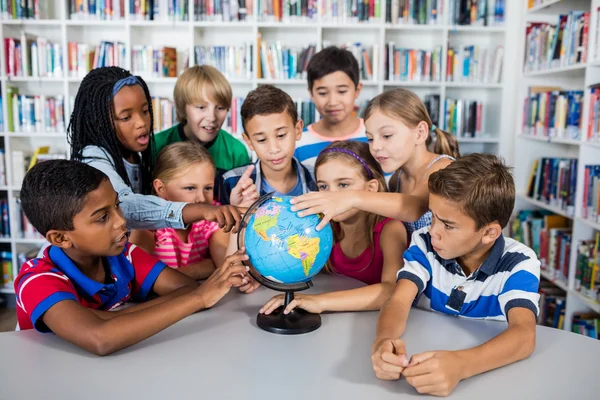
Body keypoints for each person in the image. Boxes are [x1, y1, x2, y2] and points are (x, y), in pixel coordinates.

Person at [14, 160, 251, 356]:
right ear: (60, 238)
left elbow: (184, 287)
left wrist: (107, 319)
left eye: (116, 206)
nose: (121, 221)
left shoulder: (123, 254)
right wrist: (201, 297)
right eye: (102, 217)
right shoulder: (36, 279)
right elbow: (100, 338)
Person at [371, 154, 540, 397]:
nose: (433, 231)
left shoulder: (519, 263)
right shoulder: (425, 243)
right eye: (433, 216)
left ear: (490, 232)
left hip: (495, 383)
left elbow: (524, 336)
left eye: (448, 225)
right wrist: (382, 341)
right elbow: (398, 300)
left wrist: (460, 365)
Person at [68, 66, 241, 232]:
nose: (142, 122)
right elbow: (124, 206)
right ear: (100, 122)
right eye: (126, 117)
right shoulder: (93, 157)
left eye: (145, 111)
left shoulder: (138, 153)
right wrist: (200, 210)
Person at [260, 141, 407, 316]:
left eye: (343, 185)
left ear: (371, 188)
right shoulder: (322, 228)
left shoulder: (390, 230)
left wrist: (320, 302)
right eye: (323, 186)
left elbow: (392, 291)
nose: (330, 195)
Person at [290, 88, 460, 238]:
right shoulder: (397, 179)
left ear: (420, 132)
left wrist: (350, 197)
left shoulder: (443, 168)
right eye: (370, 138)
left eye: (386, 136)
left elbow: (414, 208)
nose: (376, 146)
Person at [130, 142, 259, 293]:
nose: (201, 198)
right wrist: (201, 268)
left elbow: (227, 266)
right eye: (190, 188)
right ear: (161, 188)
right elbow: (138, 280)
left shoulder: (210, 220)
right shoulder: (147, 225)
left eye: (208, 188)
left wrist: (237, 216)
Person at [222, 85, 316, 202]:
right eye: (261, 140)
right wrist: (239, 213)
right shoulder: (230, 183)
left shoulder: (319, 179)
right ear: (249, 141)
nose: (274, 149)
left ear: (297, 130)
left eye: (281, 135)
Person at [153, 65, 251, 172]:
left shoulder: (236, 152)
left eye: (220, 108)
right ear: (182, 107)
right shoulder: (156, 146)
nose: (212, 117)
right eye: (201, 107)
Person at [294, 46, 366, 170]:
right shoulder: (298, 143)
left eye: (342, 91)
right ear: (311, 93)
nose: (332, 102)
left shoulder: (375, 135)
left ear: (357, 90)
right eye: (322, 93)